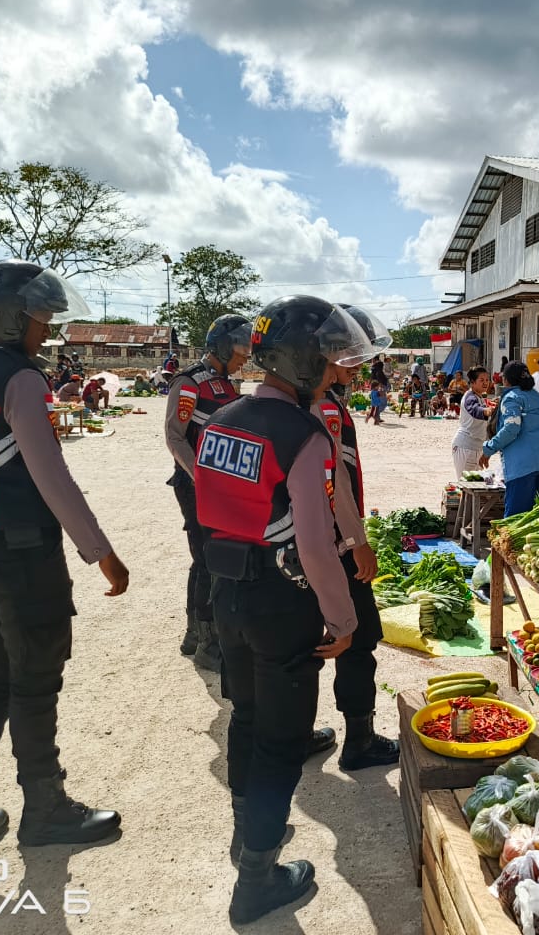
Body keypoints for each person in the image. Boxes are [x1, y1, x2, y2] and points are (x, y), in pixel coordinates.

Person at [0, 259, 129, 859]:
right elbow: (51, 475)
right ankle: (47, 810)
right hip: (21, 552)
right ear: (11, 317)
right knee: (36, 683)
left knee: (0, 676)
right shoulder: (19, 379)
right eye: (41, 317)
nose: (47, 329)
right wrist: (102, 554)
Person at [193, 295, 372, 924]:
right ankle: (258, 879)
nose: (334, 370)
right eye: (327, 360)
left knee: (245, 717)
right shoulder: (303, 432)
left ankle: (248, 839)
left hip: (227, 591)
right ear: (301, 361)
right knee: (281, 740)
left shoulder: (223, 419)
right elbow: (317, 544)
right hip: (279, 600)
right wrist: (344, 620)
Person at [312, 303, 400, 772]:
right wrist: (356, 540)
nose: (362, 364)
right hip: (337, 547)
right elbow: (334, 484)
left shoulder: (308, 400)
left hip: (304, 545)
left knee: (308, 642)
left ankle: (297, 733)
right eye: (354, 354)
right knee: (359, 637)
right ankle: (359, 742)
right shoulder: (325, 407)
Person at [163, 314, 249, 671]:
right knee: (207, 560)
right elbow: (174, 435)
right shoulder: (189, 383)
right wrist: (200, 477)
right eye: (241, 350)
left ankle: (196, 636)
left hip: (220, 488)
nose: (245, 357)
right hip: (195, 485)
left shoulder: (227, 386)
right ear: (223, 347)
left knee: (210, 559)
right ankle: (208, 644)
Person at [480, 361, 539, 517]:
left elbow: (511, 428)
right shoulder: (535, 396)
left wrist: (488, 448)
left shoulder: (511, 398)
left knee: (516, 518)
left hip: (523, 467)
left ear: (506, 380)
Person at [451, 367, 492, 478]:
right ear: (473, 383)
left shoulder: (480, 396)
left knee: (474, 489)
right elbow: (474, 409)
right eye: (481, 380)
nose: (485, 383)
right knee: (466, 487)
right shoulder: (470, 397)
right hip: (466, 447)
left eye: (487, 380)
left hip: (477, 448)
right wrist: (487, 411)